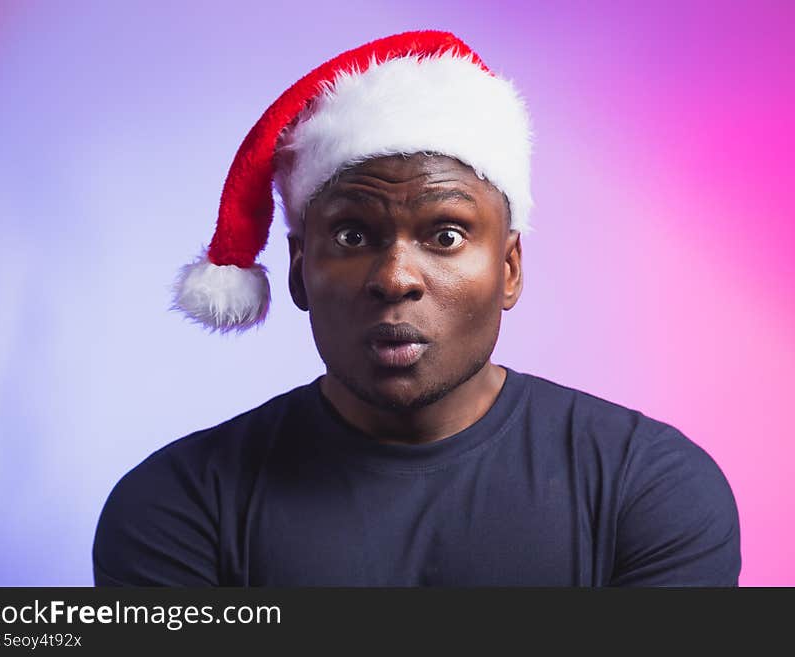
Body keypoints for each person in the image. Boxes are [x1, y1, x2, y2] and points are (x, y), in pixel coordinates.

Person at [93, 30, 740, 586]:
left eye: (446, 235)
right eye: (352, 235)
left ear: (509, 268)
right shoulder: (177, 505)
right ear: (297, 272)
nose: (396, 277)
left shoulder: (649, 488)